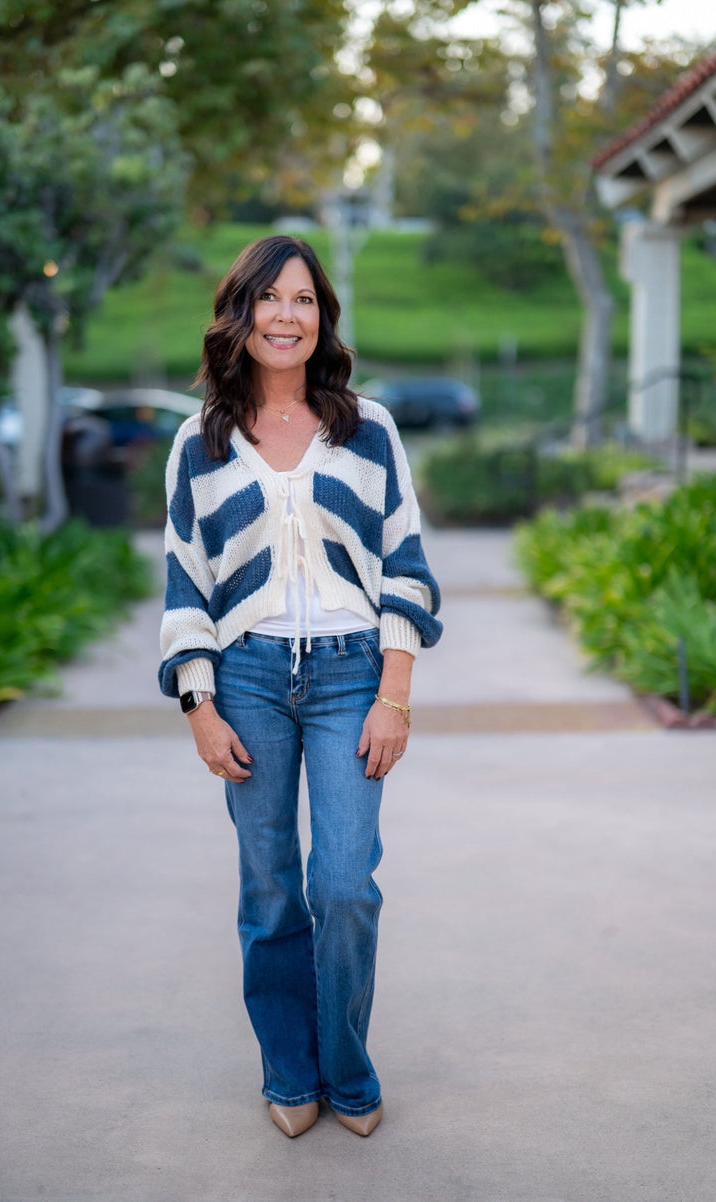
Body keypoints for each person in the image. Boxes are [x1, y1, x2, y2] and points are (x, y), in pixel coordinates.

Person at [158, 235, 442, 1139]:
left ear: (324, 317)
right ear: (239, 317)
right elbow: (184, 585)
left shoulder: (369, 428)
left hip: (351, 674)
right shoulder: (197, 446)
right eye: (270, 300)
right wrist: (199, 706)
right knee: (271, 890)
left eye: (305, 300)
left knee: (348, 883)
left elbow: (405, 561)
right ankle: (290, 1072)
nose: (289, 316)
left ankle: (348, 1072)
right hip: (243, 680)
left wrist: (393, 693)